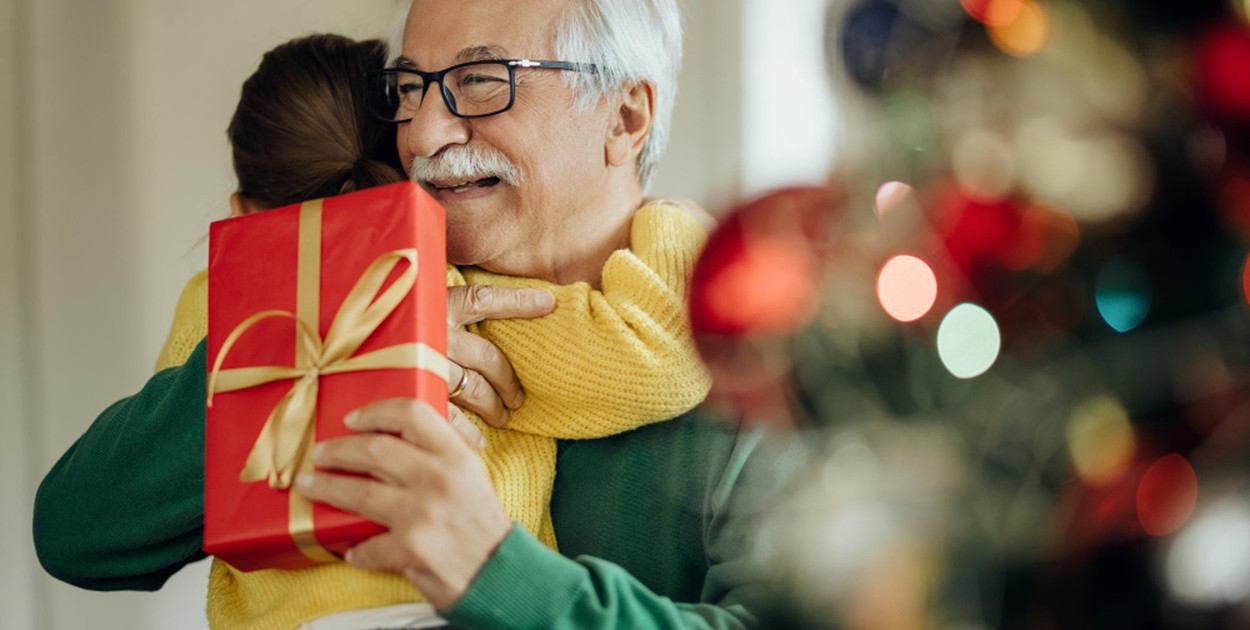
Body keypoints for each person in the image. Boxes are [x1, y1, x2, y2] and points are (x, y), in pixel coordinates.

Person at [35, 1, 778, 629]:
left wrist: (494, 572)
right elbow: (77, 536)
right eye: (411, 87)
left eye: (482, 81)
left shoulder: (773, 358)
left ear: (624, 114)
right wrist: (323, 360)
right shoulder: (348, 298)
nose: (421, 135)